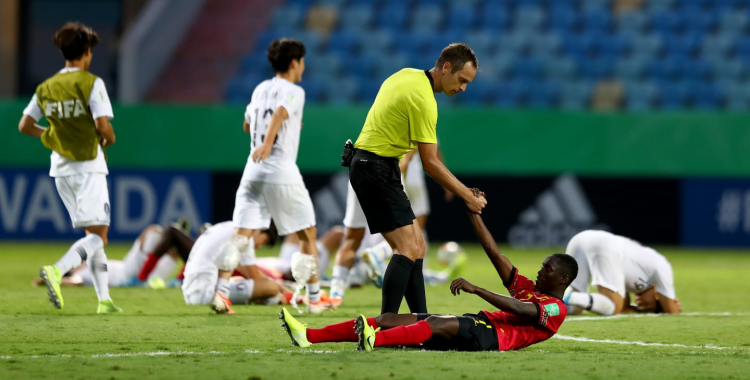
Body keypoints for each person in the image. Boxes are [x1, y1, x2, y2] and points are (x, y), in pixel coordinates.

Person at [279, 206, 578, 352]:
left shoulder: (555, 308)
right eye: (542, 266)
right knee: (388, 318)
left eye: (547, 269)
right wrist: (473, 212)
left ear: (563, 278)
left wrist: (477, 289)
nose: (540, 271)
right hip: (480, 323)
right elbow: (494, 253)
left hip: (492, 338)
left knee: (433, 323)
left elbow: (522, 311)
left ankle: (375, 342)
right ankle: (310, 336)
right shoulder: (530, 288)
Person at [346, 43, 486, 315]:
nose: (463, 88)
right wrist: (467, 195)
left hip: (372, 164)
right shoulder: (424, 100)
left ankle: (421, 322)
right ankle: (386, 326)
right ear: (446, 67)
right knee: (407, 247)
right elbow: (431, 163)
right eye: (461, 80)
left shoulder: (405, 75)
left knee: (417, 246)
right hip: (375, 166)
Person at [211, 38, 326, 314]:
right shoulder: (295, 91)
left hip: (252, 172)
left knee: (239, 236)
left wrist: (262, 139)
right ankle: (313, 299)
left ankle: (220, 293)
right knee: (307, 234)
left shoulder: (261, 88)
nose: (303, 67)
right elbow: (281, 113)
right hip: (280, 169)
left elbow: (247, 124)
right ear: (294, 62)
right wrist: (269, 141)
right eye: (303, 62)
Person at [19, 22, 120, 314]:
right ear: (87, 53)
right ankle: (57, 270)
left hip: (60, 170)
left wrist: (50, 135)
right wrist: (109, 139)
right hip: (88, 166)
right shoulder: (91, 83)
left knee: (95, 236)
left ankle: (104, 301)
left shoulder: (46, 87)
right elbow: (104, 126)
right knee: (98, 236)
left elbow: (25, 126)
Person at [563, 230, 680, 315]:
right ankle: (566, 294)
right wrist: (670, 305)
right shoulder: (661, 265)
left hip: (581, 239)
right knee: (613, 306)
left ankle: (548, 300)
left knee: (576, 308)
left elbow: (624, 307)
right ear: (657, 293)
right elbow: (671, 311)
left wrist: (636, 309)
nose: (640, 304)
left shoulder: (634, 274)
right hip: (605, 245)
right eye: (649, 306)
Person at [182, 222, 289, 312]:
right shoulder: (244, 236)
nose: (259, 246)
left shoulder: (225, 226)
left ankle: (269, 299)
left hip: (189, 290)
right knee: (270, 287)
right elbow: (255, 277)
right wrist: (283, 291)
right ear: (259, 230)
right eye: (264, 241)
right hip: (205, 294)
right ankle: (276, 300)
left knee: (239, 280)